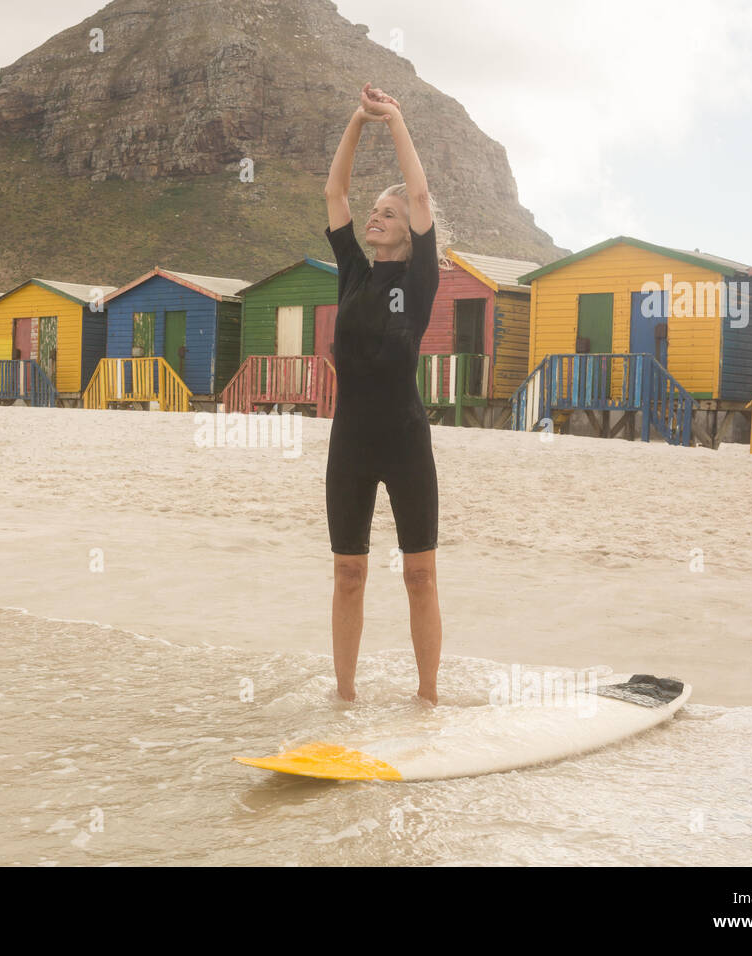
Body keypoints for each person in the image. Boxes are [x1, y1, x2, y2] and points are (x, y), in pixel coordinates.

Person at [322, 82, 443, 705]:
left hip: (405, 441)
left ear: (409, 231)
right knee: (349, 572)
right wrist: (357, 120)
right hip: (350, 442)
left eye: (388, 214)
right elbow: (334, 193)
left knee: (419, 574)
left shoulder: (418, 280)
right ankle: (344, 698)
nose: (375, 216)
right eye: (374, 211)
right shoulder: (352, 273)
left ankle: (428, 699)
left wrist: (393, 119)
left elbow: (419, 194)